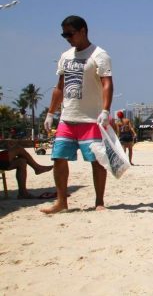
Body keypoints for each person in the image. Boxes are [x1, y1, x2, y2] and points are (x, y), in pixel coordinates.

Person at [41, 15, 113, 214]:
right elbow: (59, 87)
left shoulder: (99, 55)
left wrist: (106, 110)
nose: (67, 38)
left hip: (91, 118)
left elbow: (107, 83)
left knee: (96, 161)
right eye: (64, 34)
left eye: (70, 34)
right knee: (58, 158)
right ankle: (61, 202)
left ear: (83, 31)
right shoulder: (65, 56)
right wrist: (50, 113)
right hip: (67, 117)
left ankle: (99, 201)